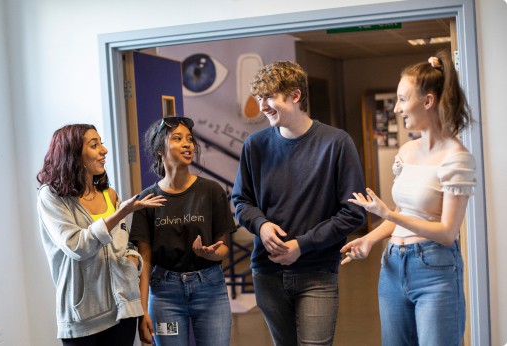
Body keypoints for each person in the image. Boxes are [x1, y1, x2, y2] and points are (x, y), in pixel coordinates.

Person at [340, 50, 475, 346]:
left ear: (427, 101)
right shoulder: (407, 152)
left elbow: (447, 233)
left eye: (403, 99)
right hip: (391, 266)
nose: (397, 108)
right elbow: (406, 211)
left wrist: (387, 214)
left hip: (435, 270)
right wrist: (371, 239)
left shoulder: (456, 159)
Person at [231, 61, 367, 345]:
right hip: (267, 272)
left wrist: (302, 245)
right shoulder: (254, 146)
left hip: (317, 272)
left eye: (269, 97)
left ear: (295, 95)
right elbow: (241, 200)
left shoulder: (337, 143)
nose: (263, 105)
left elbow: (354, 212)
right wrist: (262, 225)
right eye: (259, 98)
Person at [36, 124, 166, 346]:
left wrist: (134, 261)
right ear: (72, 154)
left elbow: (123, 244)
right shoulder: (51, 197)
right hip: (83, 317)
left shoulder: (109, 194)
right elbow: (76, 246)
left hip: (124, 310)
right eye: (94, 145)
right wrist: (122, 212)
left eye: (101, 143)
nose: (104, 150)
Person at [130, 116, 236, 346]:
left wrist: (210, 254)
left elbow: (223, 248)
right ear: (160, 149)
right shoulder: (146, 199)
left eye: (189, 139)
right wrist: (142, 311)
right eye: (177, 138)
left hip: (209, 288)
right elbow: (144, 260)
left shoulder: (212, 191)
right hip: (165, 294)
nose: (187, 144)